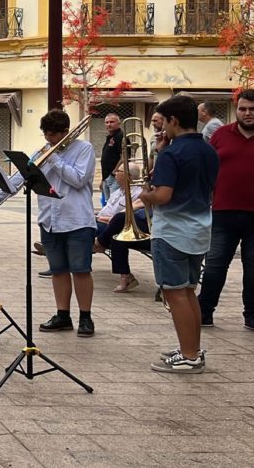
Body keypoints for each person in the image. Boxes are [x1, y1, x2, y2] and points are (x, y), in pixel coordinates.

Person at [0, 110, 97, 337]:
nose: (49, 139)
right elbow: (19, 179)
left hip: (77, 220)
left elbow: (78, 180)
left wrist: (54, 158)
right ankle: (63, 315)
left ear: (66, 132)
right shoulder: (42, 151)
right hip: (50, 220)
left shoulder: (84, 149)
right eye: (46, 134)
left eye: (53, 135)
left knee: (81, 270)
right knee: (58, 270)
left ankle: (85, 317)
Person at [140, 95, 218, 373]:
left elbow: (163, 195)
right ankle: (193, 349)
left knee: (176, 294)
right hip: (199, 229)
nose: (162, 129)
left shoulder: (173, 154)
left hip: (172, 230)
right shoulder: (208, 150)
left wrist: (143, 194)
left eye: (163, 122)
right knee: (188, 291)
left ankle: (189, 355)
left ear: (173, 120)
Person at [197, 89, 254, 329]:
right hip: (223, 214)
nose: (248, 113)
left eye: (252, 109)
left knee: (253, 272)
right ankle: (204, 313)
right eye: (243, 109)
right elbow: (205, 168)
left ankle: (251, 316)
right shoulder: (220, 134)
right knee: (214, 268)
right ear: (236, 109)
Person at [94, 161, 148, 293]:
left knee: (114, 229)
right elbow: (107, 211)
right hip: (109, 224)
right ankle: (126, 277)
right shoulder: (118, 191)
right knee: (116, 237)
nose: (115, 173)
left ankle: (98, 243)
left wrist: (104, 219)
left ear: (127, 175)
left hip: (121, 225)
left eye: (118, 171)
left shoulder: (140, 192)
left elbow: (120, 216)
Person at [99, 113, 123, 202]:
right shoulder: (110, 137)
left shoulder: (120, 136)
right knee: (108, 206)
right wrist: (103, 180)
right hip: (107, 178)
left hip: (115, 178)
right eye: (107, 122)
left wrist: (114, 173)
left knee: (115, 204)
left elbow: (124, 157)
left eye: (112, 122)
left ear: (118, 123)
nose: (109, 124)